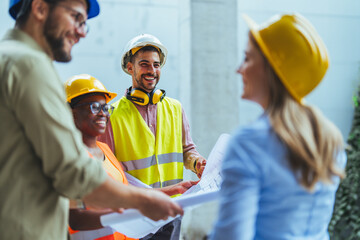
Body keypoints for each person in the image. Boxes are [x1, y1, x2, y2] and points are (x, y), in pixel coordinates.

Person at [0, 1, 183, 240]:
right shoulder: (28, 64)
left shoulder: (8, 59)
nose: (82, 32)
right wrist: (142, 201)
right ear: (40, 8)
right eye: (75, 17)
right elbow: (72, 171)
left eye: (84, 23)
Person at [210, 13, 347, 240]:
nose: (239, 69)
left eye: (247, 58)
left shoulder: (248, 143)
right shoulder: (329, 138)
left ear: (270, 67)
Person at [98, 34, 207, 239]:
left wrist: (197, 163)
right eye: (144, 64)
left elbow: (187, 150)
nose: (152, 71)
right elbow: (108, 172)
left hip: (171, 208)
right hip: (135, 214)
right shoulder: (111, 114)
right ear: (130, 68)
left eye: (156, 65)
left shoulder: (175, 109)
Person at [65, 74, 198, 240]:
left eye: (105, 108)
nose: (102, 114)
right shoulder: (69, 158)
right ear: (70, 113)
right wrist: (135, 210)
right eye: (93, 107)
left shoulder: (104, 150)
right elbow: (75, 219)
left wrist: (173, 190)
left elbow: (126, 192)